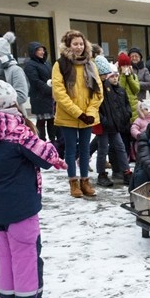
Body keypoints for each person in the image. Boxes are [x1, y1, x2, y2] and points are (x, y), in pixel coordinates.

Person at [0, 74, 65, 298]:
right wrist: (56, 150)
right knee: (26, 252)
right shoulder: (17, 131)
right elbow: (44, 156)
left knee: (5, 252)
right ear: (10, 102)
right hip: (21, 203)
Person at [51, 30, 103, 198]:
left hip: (87, 116)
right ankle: (73, 182)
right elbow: (59, 93)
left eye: (81, 44)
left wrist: (89, 112)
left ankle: (85, 181)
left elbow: (98, 92)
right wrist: (78, 113)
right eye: (75, 44)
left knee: (85, 149)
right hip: (68, 117)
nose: (78, 47)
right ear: (68, 45)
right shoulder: (60, 64)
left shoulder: (91, 64)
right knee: (71, 151)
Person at [94, 60, 132, 188]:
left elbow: (120, 106)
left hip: (113, 125)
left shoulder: (115, 89)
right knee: (102, 148)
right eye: (110, 75)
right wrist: (102, 120)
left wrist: (121, 118)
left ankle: (126, 171)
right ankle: (101, 174)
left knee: (120, 147)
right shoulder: (99, 87)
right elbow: (95, 106)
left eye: (116, 75)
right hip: (104, 124)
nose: (113, 78)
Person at [24, 42, 56, 141]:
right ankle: (41, 141)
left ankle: (53, 140)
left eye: (42, 50)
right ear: (33, 52)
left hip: (50, 96)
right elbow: (35, 81)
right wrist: (50, 90)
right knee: (41, 120)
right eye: (39, 50)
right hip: (39, 97)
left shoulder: (47, 63)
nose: (42, 52)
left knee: (52, 120)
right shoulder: (30, 64)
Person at [130, 120, 150, 191]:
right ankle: (139, 194)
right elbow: (146, 159)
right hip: (147, 169)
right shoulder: (144, 139)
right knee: (141, 174)